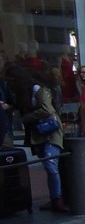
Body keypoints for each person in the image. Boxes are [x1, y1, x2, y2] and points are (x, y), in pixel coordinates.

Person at [10, 67, 68, 212]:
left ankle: (58, 198)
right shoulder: (23, 93)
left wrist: (26, 118)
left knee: (51, 165)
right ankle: (55, 197)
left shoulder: (36, 89)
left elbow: (47, 110)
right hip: (38, 132)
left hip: (49, 130)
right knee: (49, 166)